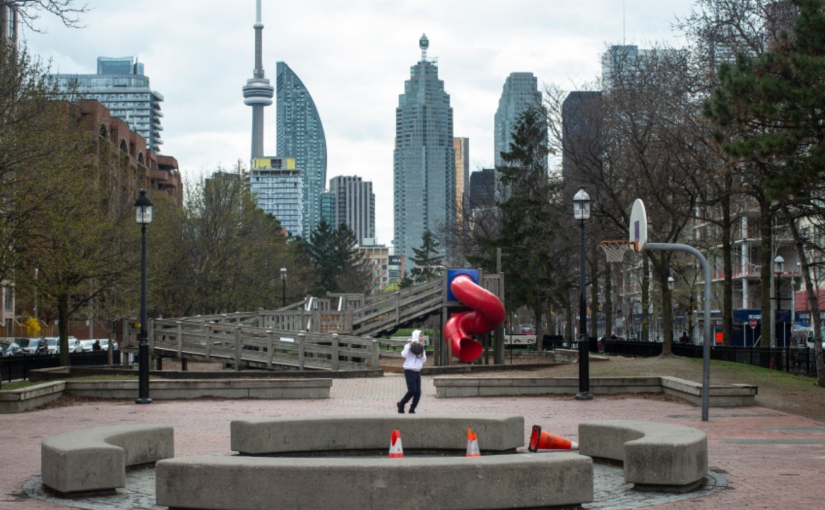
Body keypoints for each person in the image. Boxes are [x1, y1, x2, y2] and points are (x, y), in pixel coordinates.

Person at [397, 329, 426, 414]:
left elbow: (423, 360)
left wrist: (422, 354)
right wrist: (409, 345)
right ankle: (401, 403)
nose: (422, 337)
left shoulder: (421, 347)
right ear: (416, 336)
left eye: (422, 336)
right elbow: (403, 354)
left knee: (418, 392)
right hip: (409, 370)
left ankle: (412, 409)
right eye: (420, 336)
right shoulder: (409, 346)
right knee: (412, 390)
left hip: (417, 371)